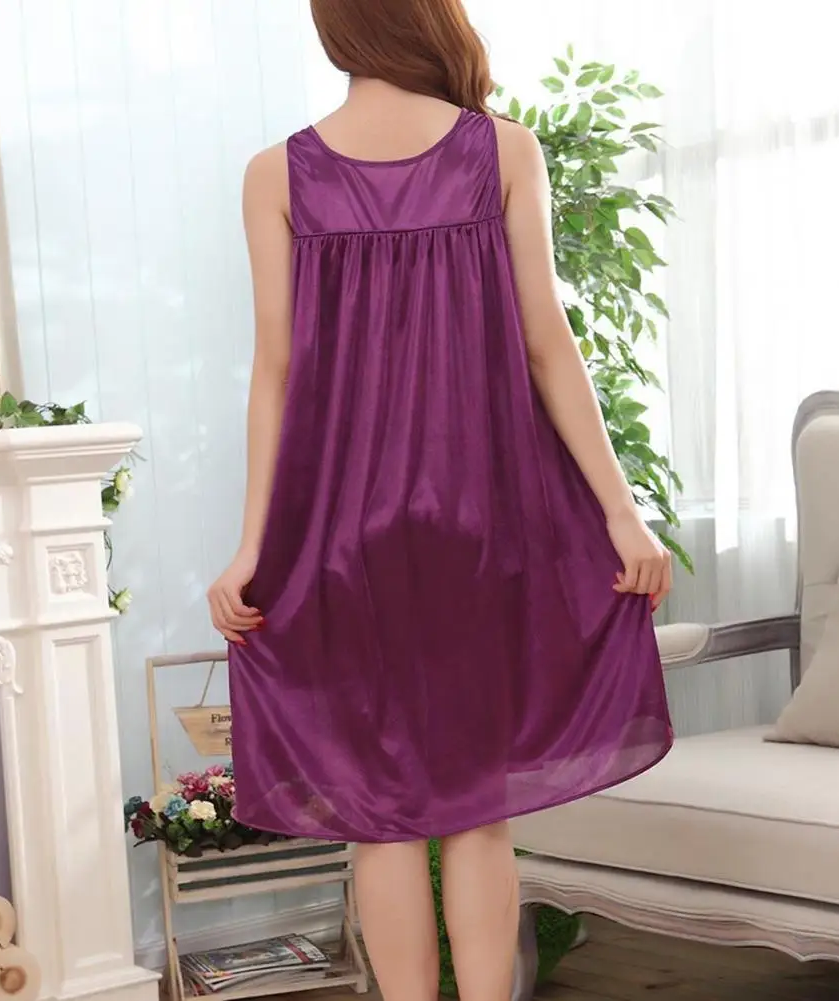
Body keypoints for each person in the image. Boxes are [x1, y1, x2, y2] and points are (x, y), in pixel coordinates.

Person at [207, 1, 674, 997]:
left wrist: (252, 545)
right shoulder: (501, 150)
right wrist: (619, 511)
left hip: (341, 533)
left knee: (376, 818)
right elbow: (548, 344)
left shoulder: (274, 173)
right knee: (474, 807)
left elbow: (274, 371)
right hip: (481, 521)